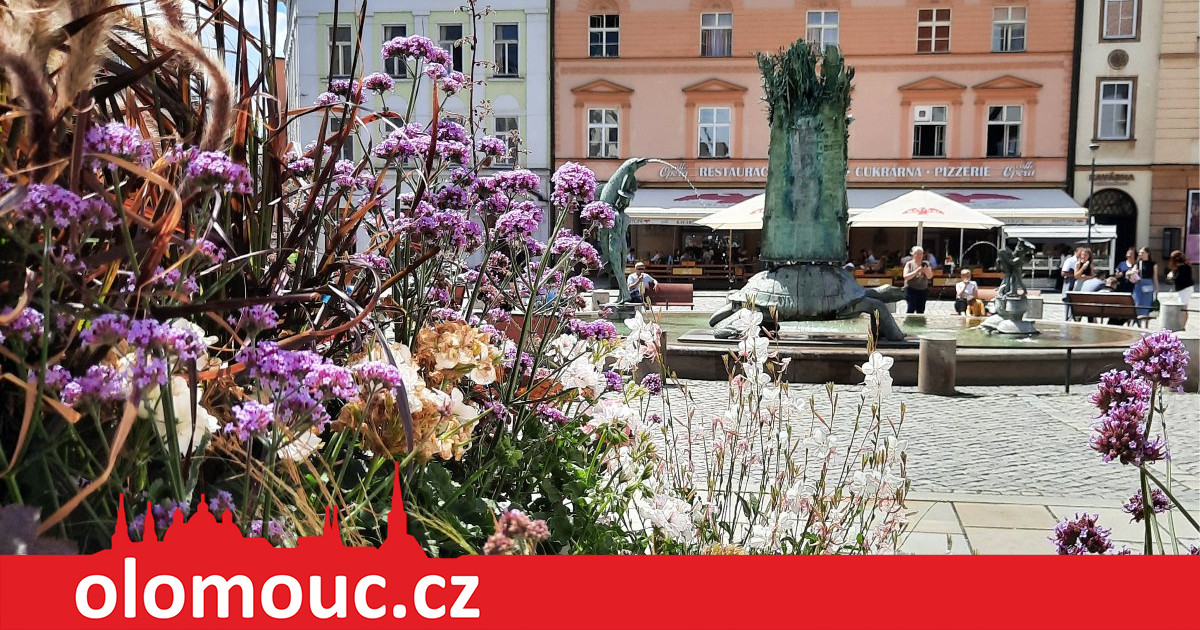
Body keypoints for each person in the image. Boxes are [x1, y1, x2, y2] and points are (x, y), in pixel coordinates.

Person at [902, 246, 934, 314]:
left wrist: (926, 271)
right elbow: (905, 276)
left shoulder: (926, 264)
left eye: (921, 254)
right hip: (911, 289)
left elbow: (930, 276)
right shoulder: (909, 264)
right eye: (917, 254)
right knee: (911, 308)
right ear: (913, 255)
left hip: (923, 289)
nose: (919, 256)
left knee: (921, 310)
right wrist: (917, 271)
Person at [1167, 250, 1194, 328]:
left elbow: (1179, 279)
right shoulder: (1185, 266)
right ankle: (1181, 324)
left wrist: (1171, 277)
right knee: (1182, 307)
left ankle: (1182, 325)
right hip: (1185, 289)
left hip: (1185, 289)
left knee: (1183, 307)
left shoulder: (1182, 268)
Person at [1132, 247, 1159, 317]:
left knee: (1146, 304)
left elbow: (1155, 277)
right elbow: (1133, 273)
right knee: (1137, 302)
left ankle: (1144, 319)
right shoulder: (1138, 263)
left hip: (1148, 284)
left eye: (1142, 253)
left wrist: (1157, 288)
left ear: (1147, 253)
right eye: (1139, 253)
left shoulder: (1153, 264)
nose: (1140, 254)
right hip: (1139, 284)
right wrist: (1134, 272)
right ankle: (1138, 318)